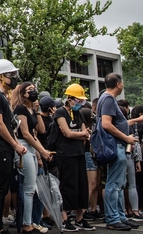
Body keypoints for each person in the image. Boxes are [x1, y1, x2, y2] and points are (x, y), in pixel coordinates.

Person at [96, 74, 143, 231]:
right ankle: (112, 217)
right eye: (122, 82)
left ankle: (120, 216)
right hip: (115, 145)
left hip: (115, 144)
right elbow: (106, 124)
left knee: (118, 183)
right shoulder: (109, 99)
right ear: (118, 84)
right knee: (114, 183)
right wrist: (126, 138)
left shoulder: (105, 98)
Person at [0, 59, 27, 234]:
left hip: (5, 148)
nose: (14, 79)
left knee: (2, 188)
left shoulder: (2, 97)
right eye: (11, 75)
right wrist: (15, 144)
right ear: (1, 77)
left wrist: (15, 144)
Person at [9, 82, 51, 234]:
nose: (34, 92)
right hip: (23, 146)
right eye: (30, 90)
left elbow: (40, 130)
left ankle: (29, 222)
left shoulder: (30, 110)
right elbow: (25, 133)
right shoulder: (20, 109)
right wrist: (42, 150)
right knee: (28, 188)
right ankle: (27, 224)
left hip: (31, 147)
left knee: (31, 188)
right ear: (23, 94)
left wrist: (37, 111)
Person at [54, 84, 92, 232]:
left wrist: (80, 134)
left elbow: (85, 132)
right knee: (68, 185)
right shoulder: (60, 113)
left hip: (79, 152)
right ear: (69, 99)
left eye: (81, 101)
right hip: (65, 154)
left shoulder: (79, 114)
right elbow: (67, 133)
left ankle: (80, 218)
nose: (79, 103)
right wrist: (81, 134)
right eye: (77, 100)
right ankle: (65, 218)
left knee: (81, 185)